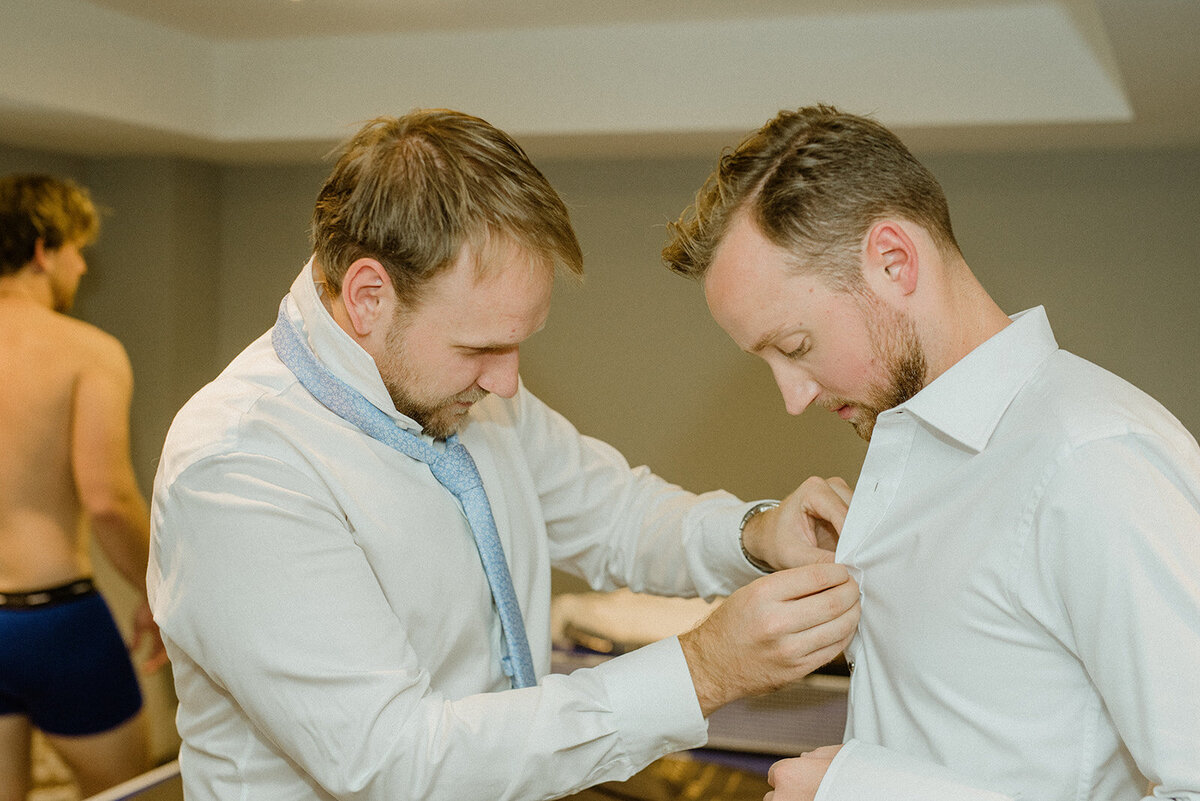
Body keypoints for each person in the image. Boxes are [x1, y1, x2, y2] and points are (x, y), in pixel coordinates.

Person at [147, 108, 861, 801]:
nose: (508, 381)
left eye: (518, 342)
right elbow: (392, 762)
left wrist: (755, 534)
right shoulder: (239, 468)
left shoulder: (459, 392)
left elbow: (613, 513)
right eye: (481, 346)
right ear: (368, 297)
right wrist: (702, 668)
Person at [662, 105, 1200, 801]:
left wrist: (864, 790)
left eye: (795, 346)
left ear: (893, 261)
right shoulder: (905, 452)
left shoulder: (1095, 459)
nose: (791, 397)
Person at [0, 174, 167, 801]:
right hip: (54, 621)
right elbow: (108, 501)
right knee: (129, 795)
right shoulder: (87, 352)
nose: (80, 265)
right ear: (44, 249)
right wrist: (161, 589)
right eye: (76, 248)